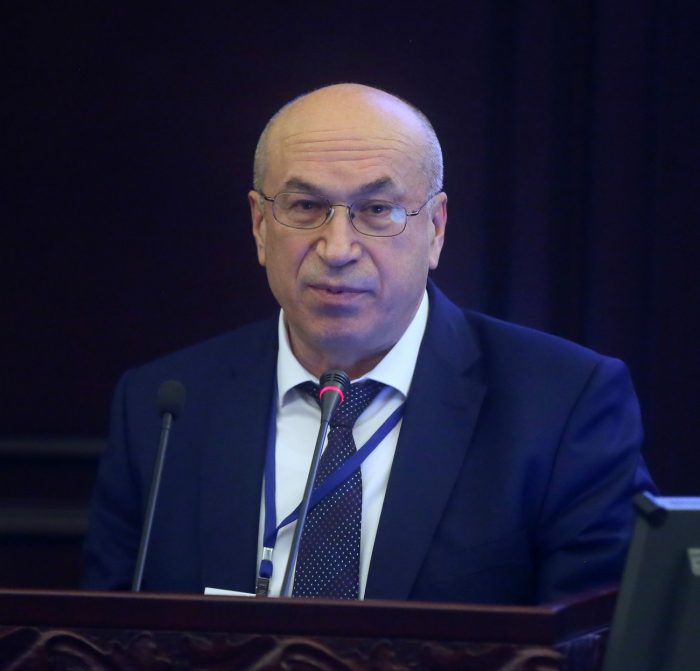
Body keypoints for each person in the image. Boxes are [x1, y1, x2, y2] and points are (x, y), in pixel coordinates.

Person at [81, 83, 654, 604]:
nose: (337, 248)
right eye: (305, 208)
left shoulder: (562, 405)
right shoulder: (164, 409)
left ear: (436, 228)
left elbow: (600, 641)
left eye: (377, 211)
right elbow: (104, 640)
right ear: (259, 225)